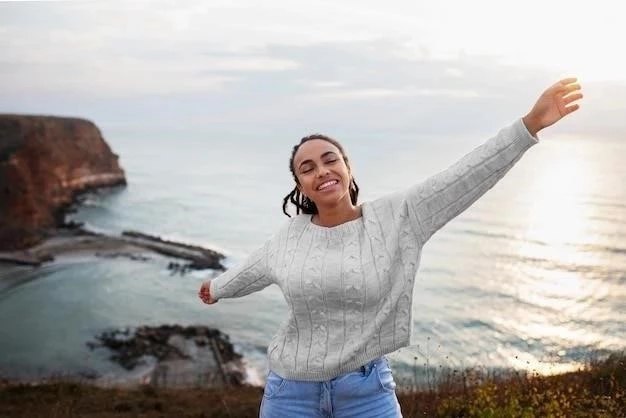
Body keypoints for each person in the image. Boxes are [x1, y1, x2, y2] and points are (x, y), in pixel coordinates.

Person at [199, 78, 583, 417]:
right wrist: (215, 289)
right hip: (290, 394)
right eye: (308, 168)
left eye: (330, 160)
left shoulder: (399, 217)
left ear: (348, 169)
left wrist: (528, 126)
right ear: (301, 186)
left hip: (366, 395)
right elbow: (251, 270)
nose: (321, 171)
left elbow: (463, 177)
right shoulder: (289, 238)